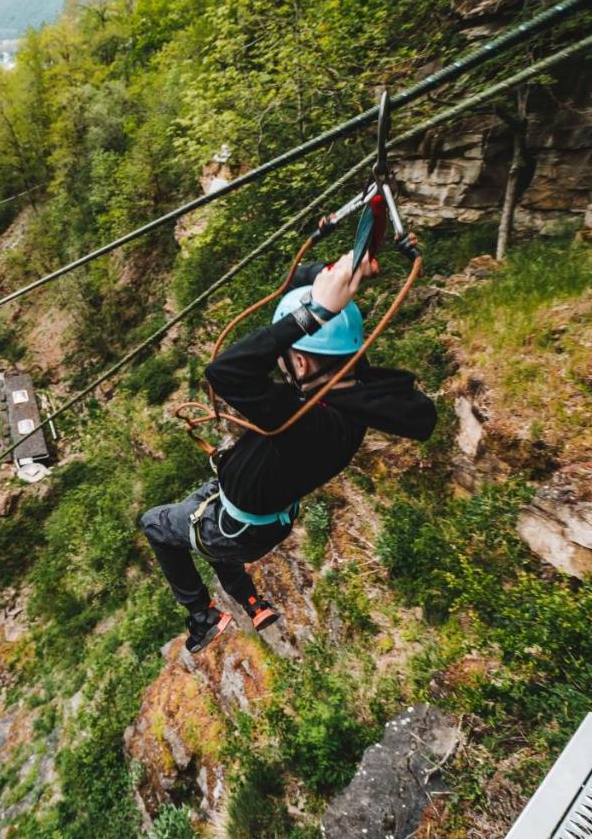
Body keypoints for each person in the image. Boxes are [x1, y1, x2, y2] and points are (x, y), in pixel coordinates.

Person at [140, 249, 436, 654]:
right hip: (253, 511)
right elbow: (294, 278)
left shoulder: (309, 423)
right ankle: (250, 602)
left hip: (238, 525)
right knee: (202, 531)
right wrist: (335, 275)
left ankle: (202, 616)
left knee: (156, 524)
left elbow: (225, 372)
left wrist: (312, 314)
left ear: (299, 360)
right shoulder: (352, 389)